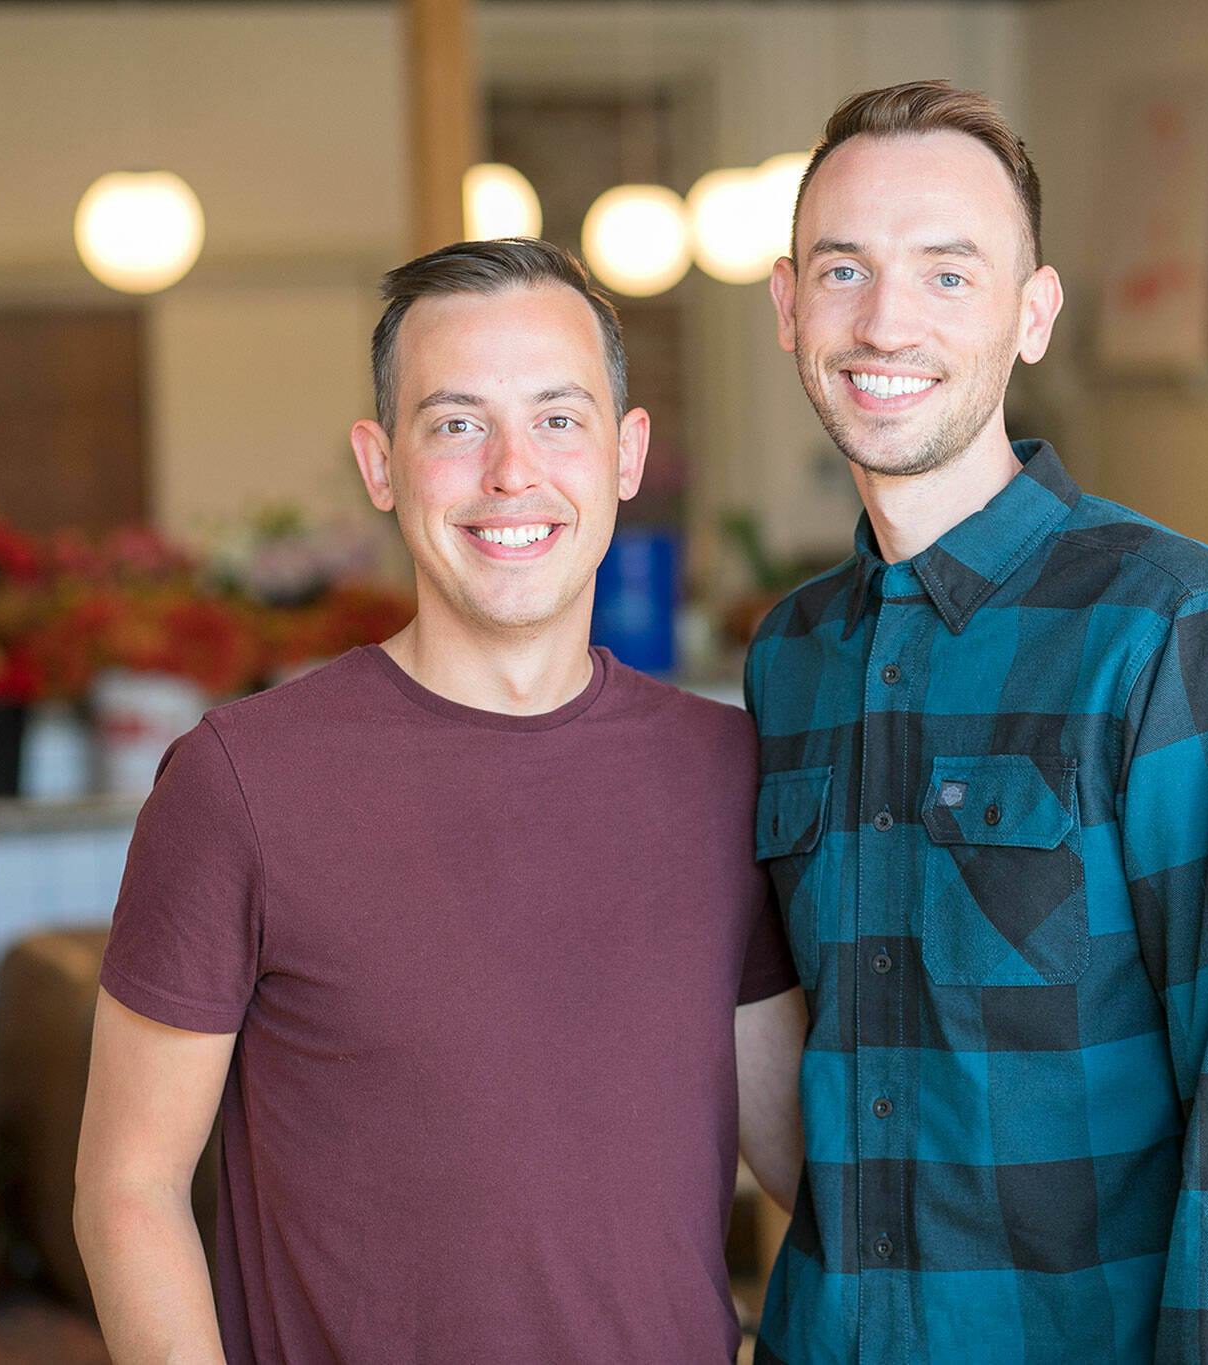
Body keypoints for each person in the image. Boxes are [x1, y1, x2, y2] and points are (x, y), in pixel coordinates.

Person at [74, 237, 807, 1364]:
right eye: (456, 423)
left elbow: (804, 1170)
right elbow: (128, 1190)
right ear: (379, 464)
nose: (512, 471)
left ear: (627, 453)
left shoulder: (723, 771)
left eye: (558, 418)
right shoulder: (240, 781)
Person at [745, 80, 1208, 1363]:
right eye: (842, 270)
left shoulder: (1175, 628)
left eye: (947, 275)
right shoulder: (788, 655)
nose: (884, 320)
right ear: (787, 308)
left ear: (1031, 316)